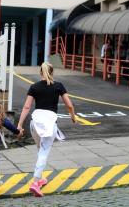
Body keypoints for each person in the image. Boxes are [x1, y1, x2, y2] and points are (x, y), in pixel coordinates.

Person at [17, 62, 77, 197]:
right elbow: (69, 105)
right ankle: (35, 182)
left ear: (40, 73)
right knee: (43, 153)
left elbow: (26, 107)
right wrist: (73, 117)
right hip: (49, 124)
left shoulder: (34, 87)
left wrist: (20, 125)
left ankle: (41, 179)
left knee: (40, 150)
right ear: (52, 72)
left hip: (35, 123)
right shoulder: (58, 86)